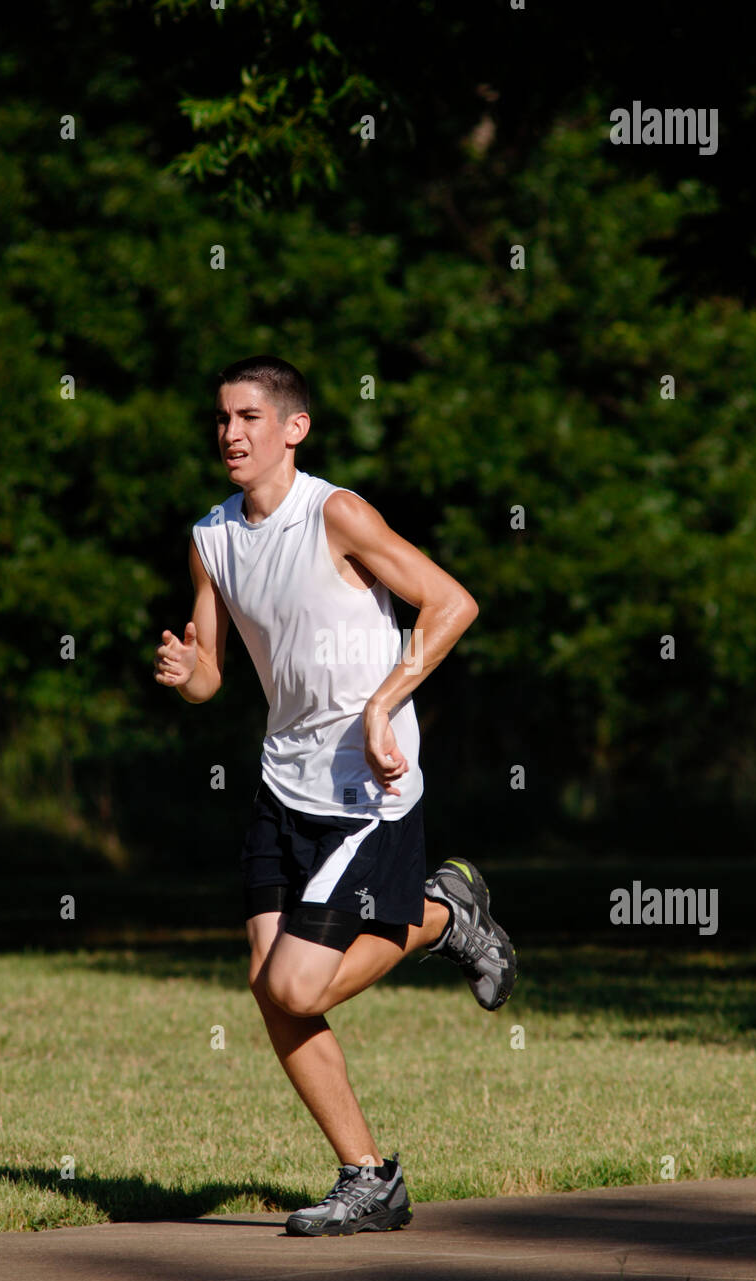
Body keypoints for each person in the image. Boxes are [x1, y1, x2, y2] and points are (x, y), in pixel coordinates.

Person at [155, 356, 516, 1236]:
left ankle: (440, 915)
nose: (230, 433)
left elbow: (450, 603)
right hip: (283, 782)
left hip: (366, 786)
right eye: (220, 419)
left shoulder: (336, 513)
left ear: (293, 427)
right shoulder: (211, 537)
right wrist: (185, 673)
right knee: (268, 987)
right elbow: (212, 677)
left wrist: (383, 706)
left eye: (248, 417)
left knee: (296, 986)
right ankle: (368, 1178)